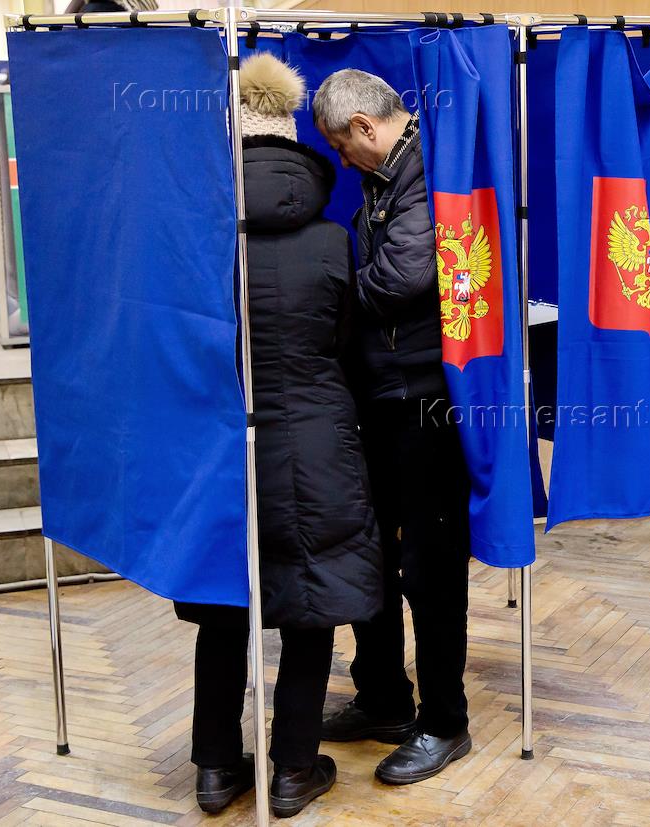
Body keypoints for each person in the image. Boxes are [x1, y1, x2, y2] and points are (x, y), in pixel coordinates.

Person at [174, 53, 383, 817]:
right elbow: (348, 345)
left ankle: (214, 767)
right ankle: (294, 768)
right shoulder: (330, 241)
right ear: (294, 142)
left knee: (224, 602)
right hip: (316, 441)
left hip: (220, 443)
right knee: (309, 602)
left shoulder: (202, 241)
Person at [311, 69, 474, 784]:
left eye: (341, 146)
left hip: (426, 399)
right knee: (369, 553)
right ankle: (382, 698)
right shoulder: (389, 176)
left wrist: (330, 303)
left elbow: (405, 276)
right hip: (382, 393)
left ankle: (444, 722)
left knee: (430, 567)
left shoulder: (431, 170)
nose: (342, 161)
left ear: (364, 127)